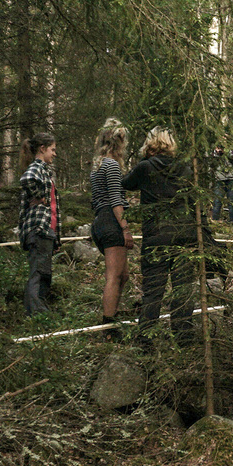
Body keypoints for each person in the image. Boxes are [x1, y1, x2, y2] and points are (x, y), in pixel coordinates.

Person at [122, 127, 196, 344]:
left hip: (156, 236)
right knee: (183, 288)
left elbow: (125, 184)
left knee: (153, 291)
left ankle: (145, 339)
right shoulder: (185, 169)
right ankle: (183, 337)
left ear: (150, 144)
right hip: (183, 235)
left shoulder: (145, 167)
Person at [89, 118, 133, 332]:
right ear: (118, 143)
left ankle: (112, 313)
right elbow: (116, 199)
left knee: (122, 275)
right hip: (110, 221)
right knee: (114, 276)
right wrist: (125, 228)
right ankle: (108, 325)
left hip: (100, 220)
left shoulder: (97, 165)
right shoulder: (112, 165)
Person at [17, 132, 60, 316]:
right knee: (39, 273)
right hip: (39, 227)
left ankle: (37, 311)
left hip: (46, 229)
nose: (54, 154)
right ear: (42, 149)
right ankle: (37, 313)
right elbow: (27, 179)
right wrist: (39, 195)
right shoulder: (38, 167)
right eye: (52, 150)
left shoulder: (44, 170)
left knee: (43, 272)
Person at [210, 145, 233, 223]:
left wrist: (226, 151)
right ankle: (215, 220)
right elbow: (210, 160)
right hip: (219, 179)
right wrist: (217, 152)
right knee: (217, 200)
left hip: (232, 178)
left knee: (231, 201)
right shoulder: (214, 149)